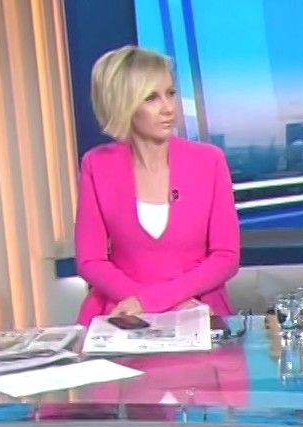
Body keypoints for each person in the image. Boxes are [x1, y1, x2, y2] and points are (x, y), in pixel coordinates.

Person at [74, 46, 240, 324]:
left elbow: (226, 256)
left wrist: (156, 301)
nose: (168, 108)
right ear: (124, 104)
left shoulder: (209, 161)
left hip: (197, 309)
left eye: (170, 93)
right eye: (151, 98)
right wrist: (146, 303)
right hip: (124, 311)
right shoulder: (97, 165)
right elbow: (90, 260)